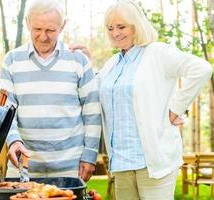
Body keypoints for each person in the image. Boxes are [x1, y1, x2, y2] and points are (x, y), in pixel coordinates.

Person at [71, 1, 212, 199]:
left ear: (136, 26)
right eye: (110, 28)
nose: (115, 33)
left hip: (153, 162)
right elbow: (96, 91)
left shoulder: (158, 53)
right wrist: (88, 64)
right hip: (121, 163)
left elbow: (202, 69)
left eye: (121, 27)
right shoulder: (112, 64)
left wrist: (175, 109)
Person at [0, 0, 101, 181]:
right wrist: (13, 140)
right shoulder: (12, 60)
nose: (43, 36)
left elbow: (92, 111)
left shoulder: (78, 60)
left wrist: (90, 155)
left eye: (50, 30)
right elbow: (4, 109)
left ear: (62, 26)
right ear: (27, 22)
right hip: (23, 167)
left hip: (70, 167)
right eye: (37, 29)